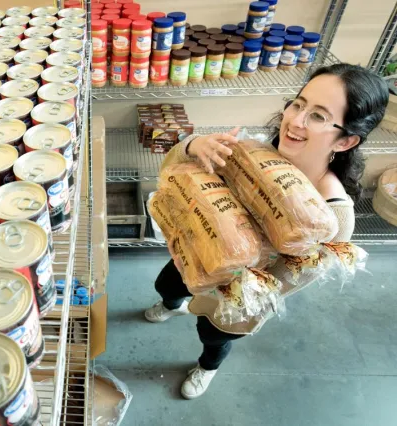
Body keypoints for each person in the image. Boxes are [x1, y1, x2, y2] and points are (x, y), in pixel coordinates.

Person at [144, 63, 389, 400]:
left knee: (213, 335)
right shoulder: (254, 151)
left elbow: (283, 283)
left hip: (232, 297)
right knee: (166, 285)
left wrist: (232, 259)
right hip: (190, 256)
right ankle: (171, 305)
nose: (295, 121)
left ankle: (207, 367)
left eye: (318, 116)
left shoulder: (332, 216)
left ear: (346, 140)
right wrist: (193, 146)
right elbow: (173, 178)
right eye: (298, 104)